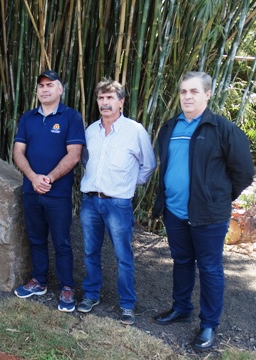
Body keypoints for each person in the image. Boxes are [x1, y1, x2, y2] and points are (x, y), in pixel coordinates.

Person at [152, 71, 254, 351]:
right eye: (184, 91)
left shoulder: (222, 129)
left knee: (209, 268)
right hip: (174, 211)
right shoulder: (170, 127)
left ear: (208, 94)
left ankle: (208, 324)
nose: (187, 96)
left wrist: (217, 197)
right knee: (182, 261)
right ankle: (181, 307)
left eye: (194, 91)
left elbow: (244, 172)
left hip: (208, 215)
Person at [77, 79, 156, 325]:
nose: (105, 103)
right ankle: (91, 295)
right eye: (101, 98)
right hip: (90, 201)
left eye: (110, 98)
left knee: (123, 255)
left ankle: (127, 304)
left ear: (121, 101)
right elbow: (84, 161)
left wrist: (129, 185)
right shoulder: (90, 130)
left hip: (118, 204)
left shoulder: (135, 130)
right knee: (90, 252)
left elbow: (148, 164)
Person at [13, 70, 86, 312]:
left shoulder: (71, 117)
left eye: (50, 85)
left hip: (58, 193)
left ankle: (67, 287)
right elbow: (18, 152)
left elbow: (74, 154)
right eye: (41, 85)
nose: (44, 89)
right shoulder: (28, 118)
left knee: (62, 242)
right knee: (36, 239)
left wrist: (49, 179)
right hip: (31, 190)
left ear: (60, 89)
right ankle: (39, 280)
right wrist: (34, 178)